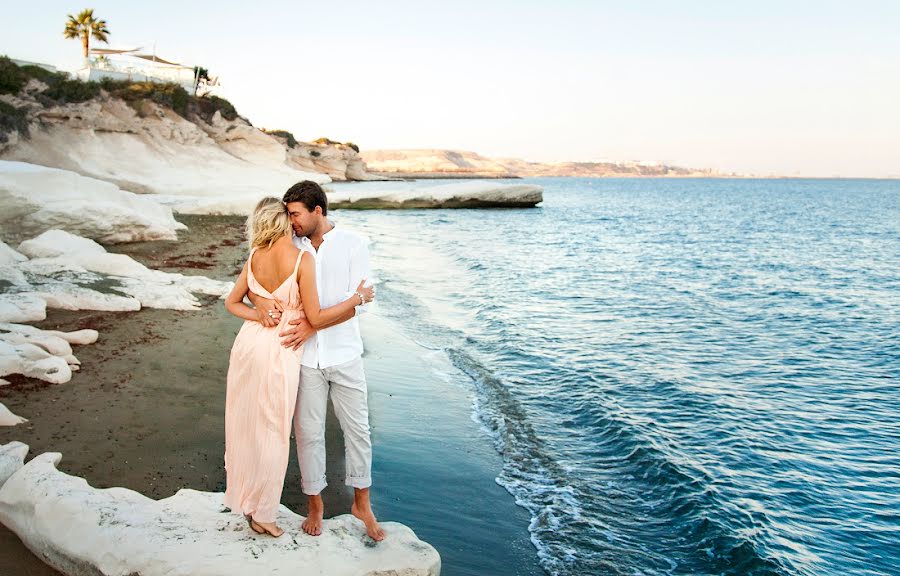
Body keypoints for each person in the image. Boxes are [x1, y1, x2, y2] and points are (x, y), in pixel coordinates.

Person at [223, 196, 373, 537]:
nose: (294, 221)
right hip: (282, 349)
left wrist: (258, 309)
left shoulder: (254, 256)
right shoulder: (302, 258)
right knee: (274, 432)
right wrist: (357, 298)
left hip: (249, 345)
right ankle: (263, 514)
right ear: (282, 221)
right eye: (288, 216)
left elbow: (232, 303)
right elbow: (316, 316)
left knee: (245, 425)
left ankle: (248, 502)